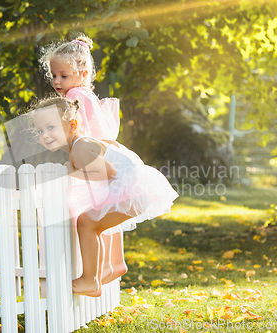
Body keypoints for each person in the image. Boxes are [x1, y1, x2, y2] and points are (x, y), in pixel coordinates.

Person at [30, 96, 178, 296]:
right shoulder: (84, 143)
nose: (45, 135)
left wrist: (70, 172)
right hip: (136, 186)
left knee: (87, 223)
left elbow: (108, 172)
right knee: (92, 225)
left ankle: (90, 280)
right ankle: (95, 277)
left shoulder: (80, 148)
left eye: (51, 128)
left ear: (72, 125)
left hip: (131, 188)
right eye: (40, 131)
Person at [40, 34, 123, 287]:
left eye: (63, 76)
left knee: (89, 218)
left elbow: (78, 129)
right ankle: (112, 263)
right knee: (105, 213)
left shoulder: (74, 95)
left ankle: (96, 272)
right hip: (101, 156)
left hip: (91, 160)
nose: (56, 81)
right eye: (54, 75)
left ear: (83, 73)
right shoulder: (86, 93)